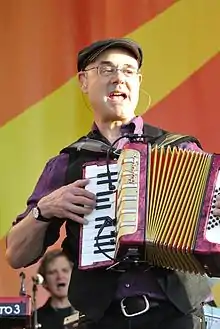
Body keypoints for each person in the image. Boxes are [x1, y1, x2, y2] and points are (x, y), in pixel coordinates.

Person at [5, 37, 220, 328]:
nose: (119, 78)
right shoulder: (67, 163)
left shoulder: (180, 149)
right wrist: (45, 208)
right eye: (106, 70)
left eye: (128, 71)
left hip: (175, 318)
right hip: (102, 320)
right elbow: (16, 255)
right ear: (83, 81)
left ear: (138, 80)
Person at [33, 249, 74, 329]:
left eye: (65, 270)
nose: (60, 276)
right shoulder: (35, 319)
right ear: (44, 281)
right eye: (52, 272)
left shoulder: (88, 314)